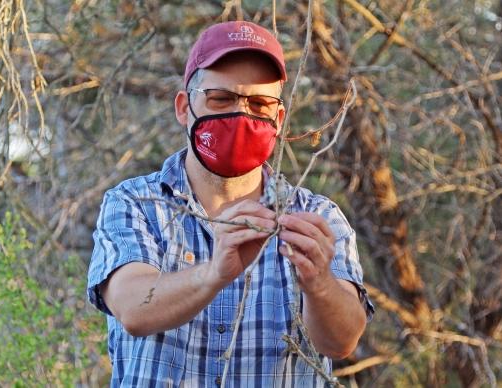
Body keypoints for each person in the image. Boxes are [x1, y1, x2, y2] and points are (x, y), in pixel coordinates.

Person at [87, 20, 374, 387]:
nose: (242, 116)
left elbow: (342, 341)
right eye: (220, 99)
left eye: (259, 103)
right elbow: (131, 308)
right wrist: (214, 273)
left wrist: (319, 284)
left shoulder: (317, 217)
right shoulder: (136, 203)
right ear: (184, 107)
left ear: (279, 118)